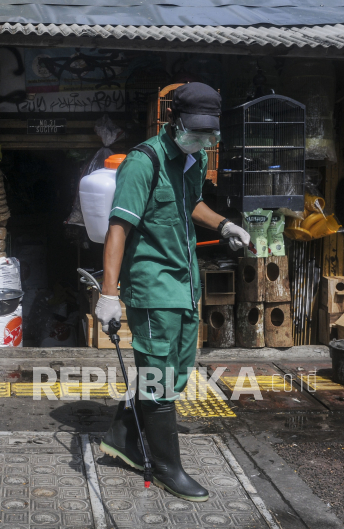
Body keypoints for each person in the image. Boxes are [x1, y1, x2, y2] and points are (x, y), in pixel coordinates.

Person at [94, 82, 250, 502]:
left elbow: (190, 204)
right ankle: (166, 466)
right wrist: (109, 294)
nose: (200, 140)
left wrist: (223, 224)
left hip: (184, 282)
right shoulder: (143, 163)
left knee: (175, 371)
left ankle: (122, 436)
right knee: (160, 377)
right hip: (152, 285)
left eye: (207, 134)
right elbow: (118, 227)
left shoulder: (193, 160)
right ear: (173, 122)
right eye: (194, 131)